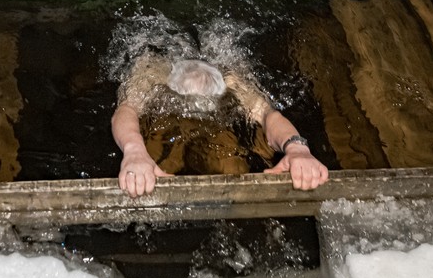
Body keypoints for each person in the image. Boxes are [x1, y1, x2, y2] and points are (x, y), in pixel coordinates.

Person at [111, 52, 328, 197]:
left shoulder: (234, 81)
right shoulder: (150, 74)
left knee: (234, 173)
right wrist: (134, 152)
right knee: (148, 176)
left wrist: (297, 149)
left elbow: (268, 115)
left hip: (218, 124)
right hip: (167, 122)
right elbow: (126, 110)